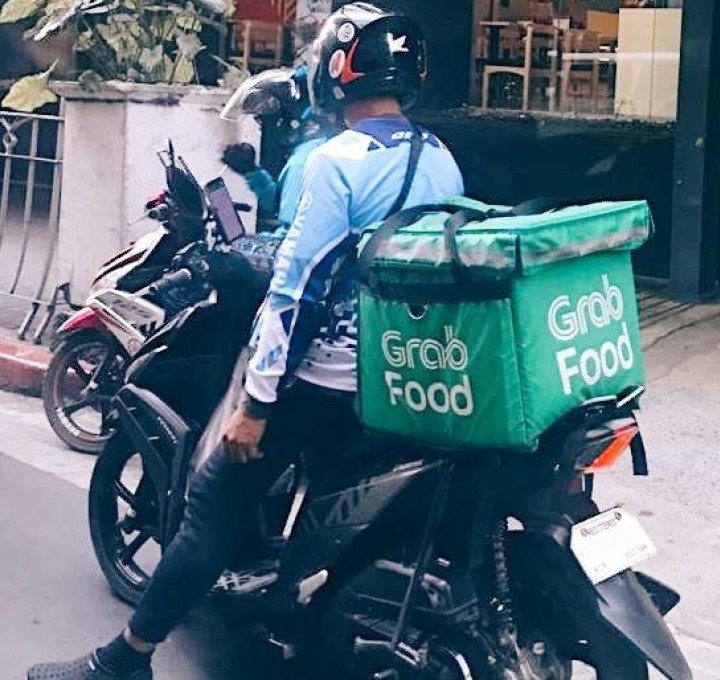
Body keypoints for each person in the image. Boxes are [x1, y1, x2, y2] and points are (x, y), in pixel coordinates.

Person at [27, 4, 465, 679]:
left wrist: (256, 405)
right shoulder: (440, 160)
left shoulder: (337, 161)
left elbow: (298, 290)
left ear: (339, 71)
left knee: (211, 505)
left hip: (327, 380)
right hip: (402, 376)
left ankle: (126, 660)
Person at [220, 66, 339, 237]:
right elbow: (280, 202)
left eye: (263, 121)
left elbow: (291, 238)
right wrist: (252, 172)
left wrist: (246, 250)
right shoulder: (314, 149)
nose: (262, 128)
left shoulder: (302, 162)